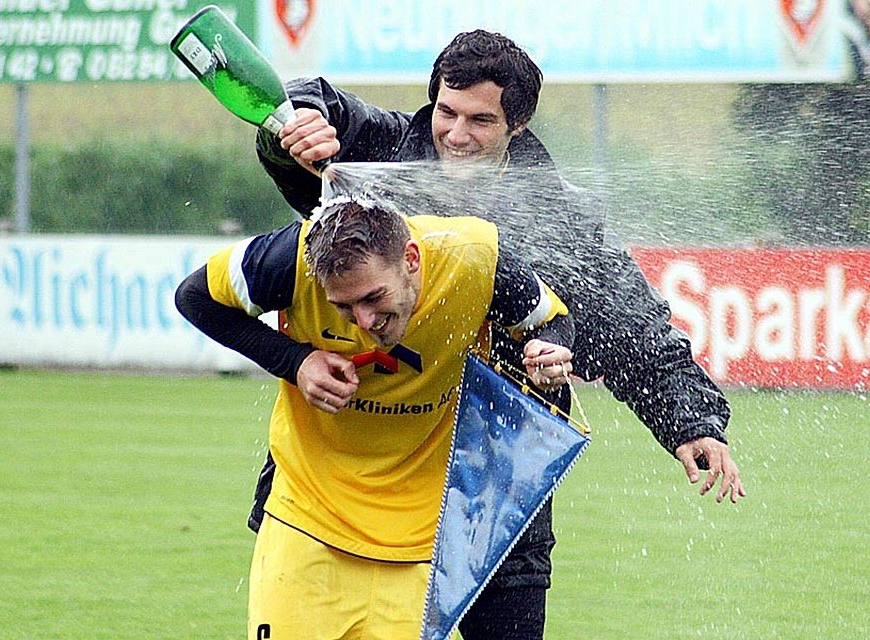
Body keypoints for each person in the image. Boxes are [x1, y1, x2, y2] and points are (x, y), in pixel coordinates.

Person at [254, 28, 746, 637]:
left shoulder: (560, 217)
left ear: (519, 123)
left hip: (499, 487)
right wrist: (297, 124)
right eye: (446, 112)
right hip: (357, 481)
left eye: (481, 120)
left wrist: (691, 423)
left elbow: (636, 331)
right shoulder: (377, 155)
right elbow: (312, 102)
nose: (456, 135)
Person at [175, 197, 575, 639]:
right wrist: (296, 361)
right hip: (306, 522)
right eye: (343, 307)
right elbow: (193, 296)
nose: (364, 321)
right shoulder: (289, 258)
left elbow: (551, 321)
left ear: (411, 259)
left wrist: (546, 350)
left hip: (421, 542)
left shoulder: (474, 255)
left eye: (373, 297)